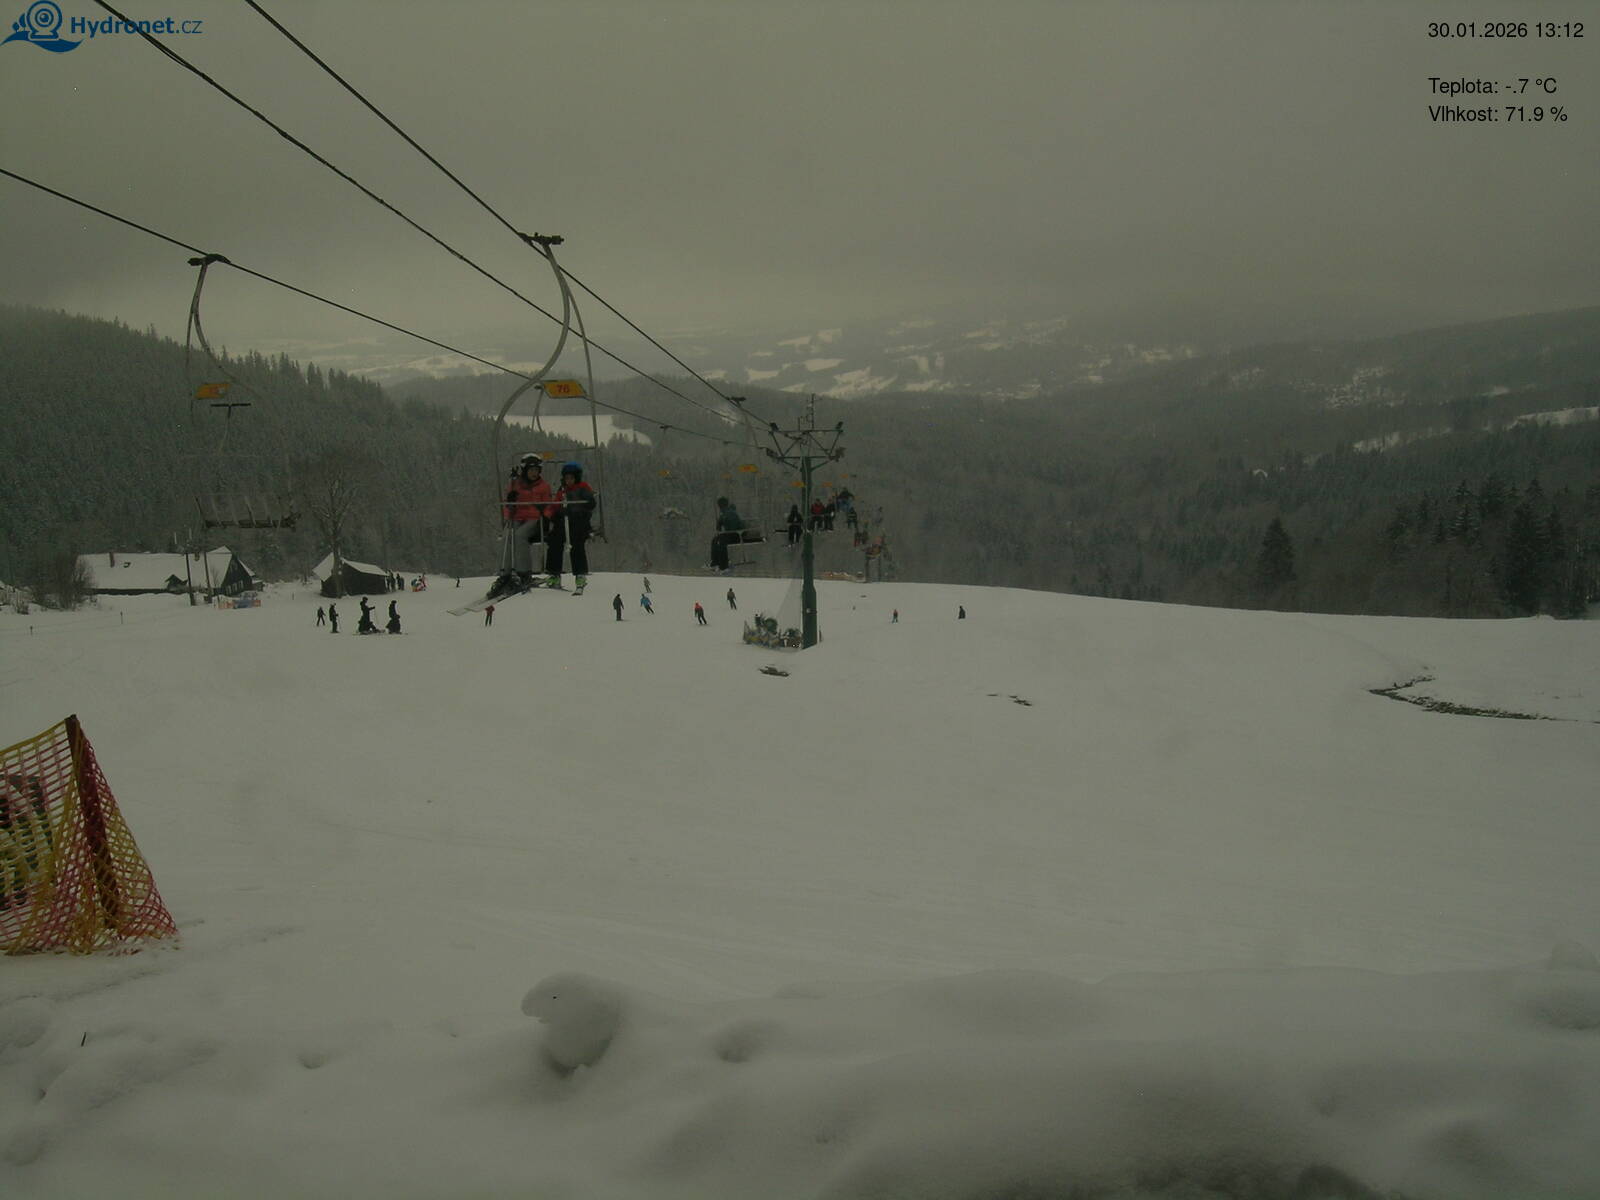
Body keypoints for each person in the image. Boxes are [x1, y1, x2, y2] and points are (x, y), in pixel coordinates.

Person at [492, 453, 555, 598]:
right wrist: (510, 508)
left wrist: (546, 517)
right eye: (531, 470)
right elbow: (508, 504)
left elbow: (549, 505)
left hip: (534, 518)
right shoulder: (516, 484)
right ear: (525, 470)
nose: (534, 473)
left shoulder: (543, 486)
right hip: (517, 516)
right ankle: (504, 573)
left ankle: (524, 573)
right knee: (507, 536)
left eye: (536, 470)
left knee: (520, 536)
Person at [547, 462, 597, 593]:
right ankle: (554, 573)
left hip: (579, 522)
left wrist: (585, 502)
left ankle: (580, 575)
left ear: (576, 478)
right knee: (554, 541)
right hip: (564, 521)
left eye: (571, 478)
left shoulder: (583, 487)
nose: (568, 481)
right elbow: (555, 505)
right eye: (566, 478)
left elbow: (590, 503)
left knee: (576, 543)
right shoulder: (562, 490)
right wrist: (553, 515)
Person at [709, 496, 744, 573]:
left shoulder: (730, 513)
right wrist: (719, 523)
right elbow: (719, 527)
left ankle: (724, 565)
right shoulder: (725, 513)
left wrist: (721, 524)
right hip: (731, 535)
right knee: (715, 540)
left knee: (721, 541)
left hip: (737, 535)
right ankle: (715, 563)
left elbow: (733, 527)